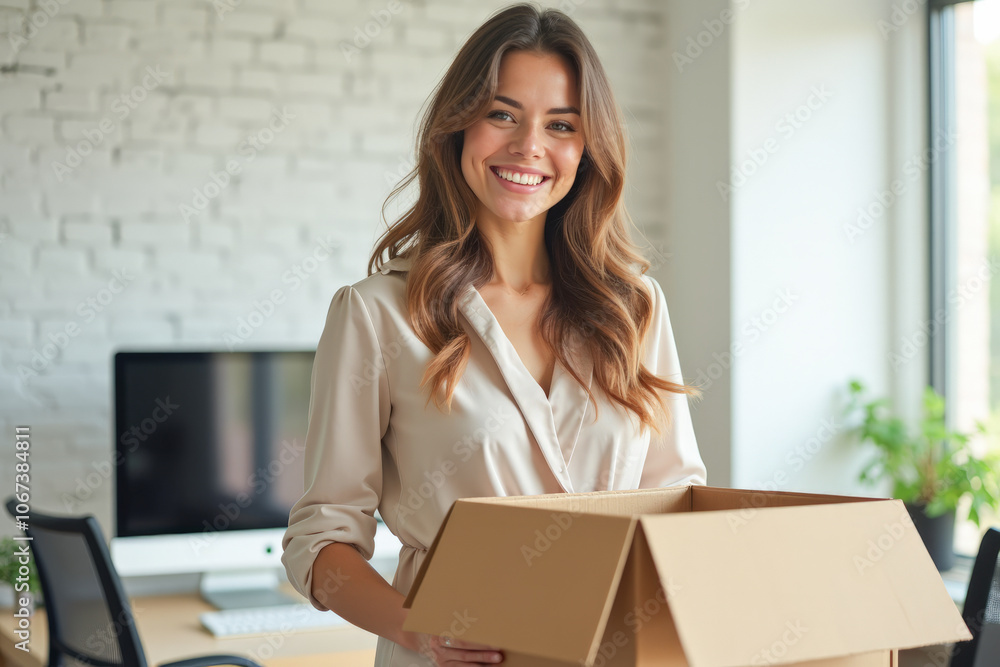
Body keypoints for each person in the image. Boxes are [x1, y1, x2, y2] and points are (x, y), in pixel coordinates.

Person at [281, 3, 708, 665]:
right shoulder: (377, 314)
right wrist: (415, 625)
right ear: (458, 127)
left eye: (560, 124)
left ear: (587, 148)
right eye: (502, 113)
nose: (528, 146)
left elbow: (676, 502)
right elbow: (320, 539)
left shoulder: (635, 309)